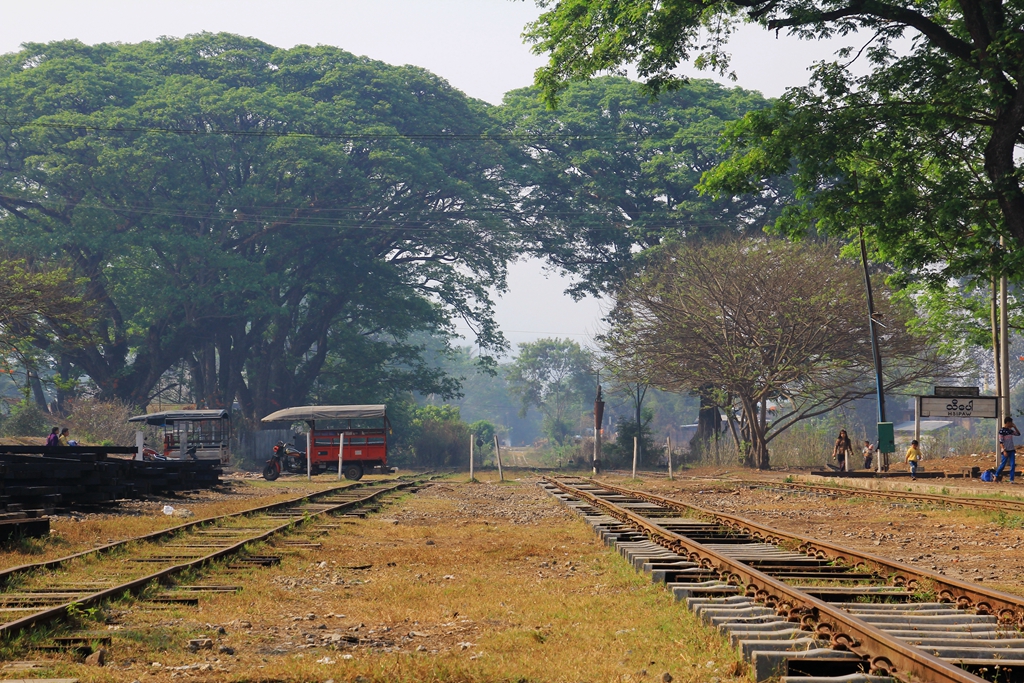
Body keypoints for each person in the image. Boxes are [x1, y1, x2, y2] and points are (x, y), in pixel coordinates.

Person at [995, 416, 1021, 483]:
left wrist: (1015, 427)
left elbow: (1018, 434)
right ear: (1008, 422)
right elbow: (1001, 442)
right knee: (1003, 465)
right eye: (1011, 423)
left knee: (1012, 465)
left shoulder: (1010, 431)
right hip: (1005, 450)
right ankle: (996, 475)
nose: (1011, 424)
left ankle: (1011, 479)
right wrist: (1004, 451)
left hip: (1011, 450)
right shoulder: (1001, 431)